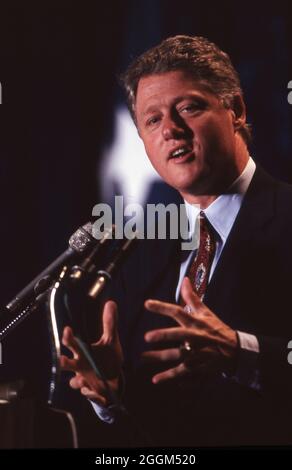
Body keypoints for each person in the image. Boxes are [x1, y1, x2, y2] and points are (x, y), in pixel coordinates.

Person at [60, 35, 292, 446]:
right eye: (152, 119)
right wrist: (112, 392)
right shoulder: (136, 251)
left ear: (236, 110)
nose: (170, 129)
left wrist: (242, 352)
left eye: (189, 107)